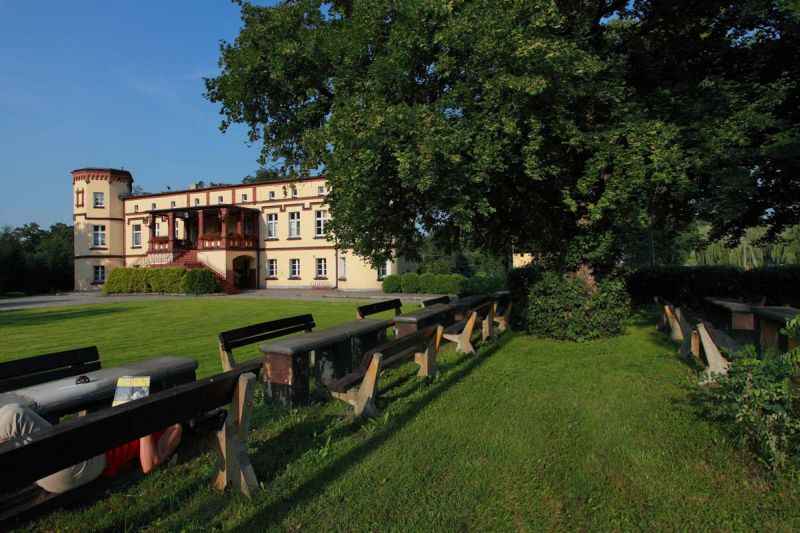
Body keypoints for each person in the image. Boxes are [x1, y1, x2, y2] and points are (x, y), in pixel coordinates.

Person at [0, 403, 182, 493]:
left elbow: (150, 464)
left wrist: (144, 424)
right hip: (74, 448)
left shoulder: (174, 427)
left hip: (82, 462)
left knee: (15, 415)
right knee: (9, 411)